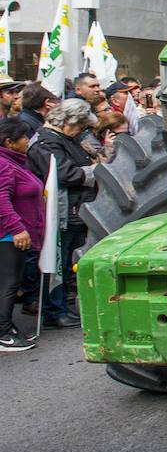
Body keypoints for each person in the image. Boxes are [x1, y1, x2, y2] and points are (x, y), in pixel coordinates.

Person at [26, 99, 97, 327]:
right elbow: (64, 174)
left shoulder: (62, 139)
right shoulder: (46, 143)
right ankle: (54, 310)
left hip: (72, 211)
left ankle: (60, 306)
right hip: (59, 212)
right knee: (55, 262)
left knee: (65, 263)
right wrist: (95, 171)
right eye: (80, 126)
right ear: (68, 122)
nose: (81, 132)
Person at [0, 117, 44, 352]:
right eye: (24, 137)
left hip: (14, 233)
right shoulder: (4, 165)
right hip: (8, 236)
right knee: (8, 285)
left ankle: (7, 327)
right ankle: (3, 334)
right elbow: (1, 200)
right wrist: (17, 229)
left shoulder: (13, 162)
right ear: (9, 142)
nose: (28, 141)